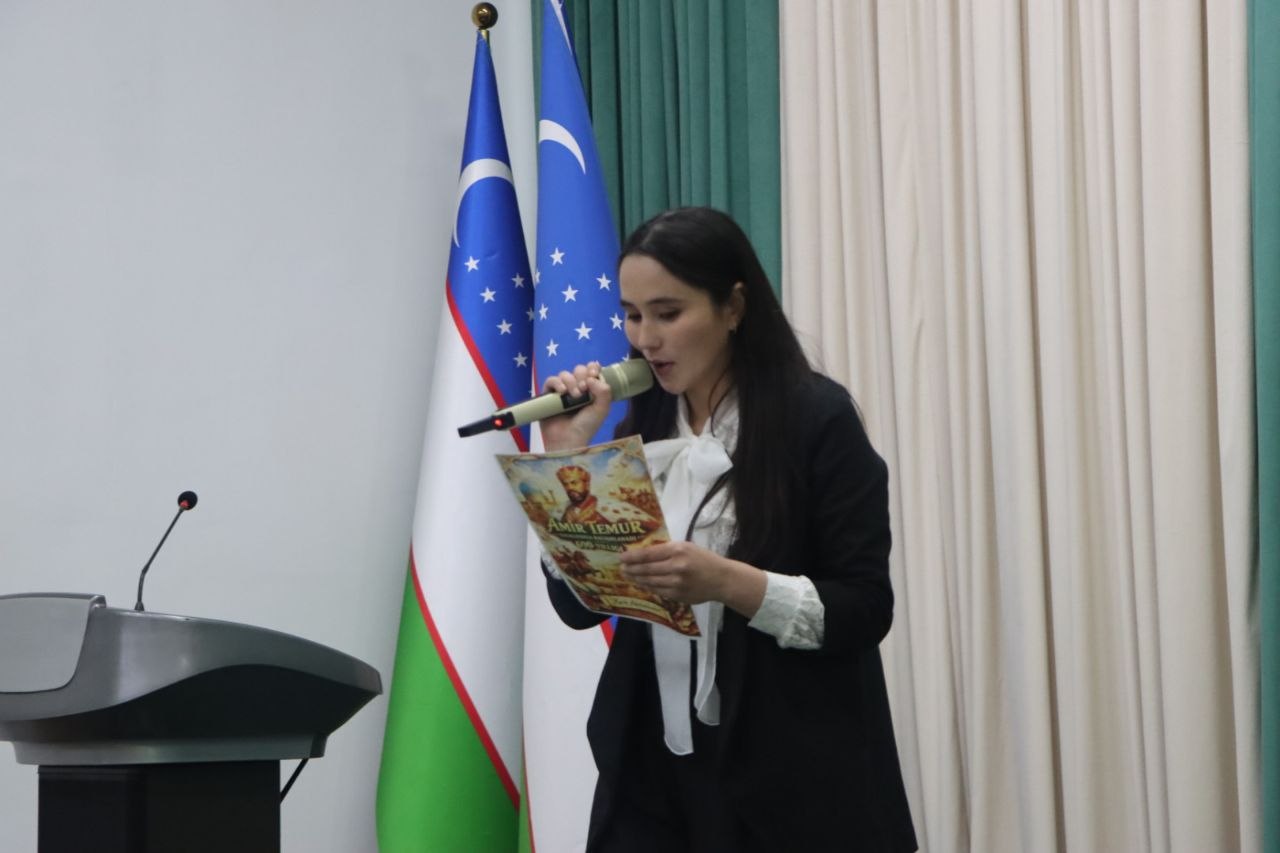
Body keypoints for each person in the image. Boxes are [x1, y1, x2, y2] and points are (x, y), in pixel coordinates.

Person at [539, 207, 917, 852]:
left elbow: (863, 609)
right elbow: (579, 609)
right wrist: (566, 461)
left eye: (668, 313)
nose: (645, 338)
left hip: (792, 775)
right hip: (654, 767)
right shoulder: (642, 423)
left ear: (733, 307)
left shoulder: (816, 418)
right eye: (631, 315)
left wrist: (727, 582)